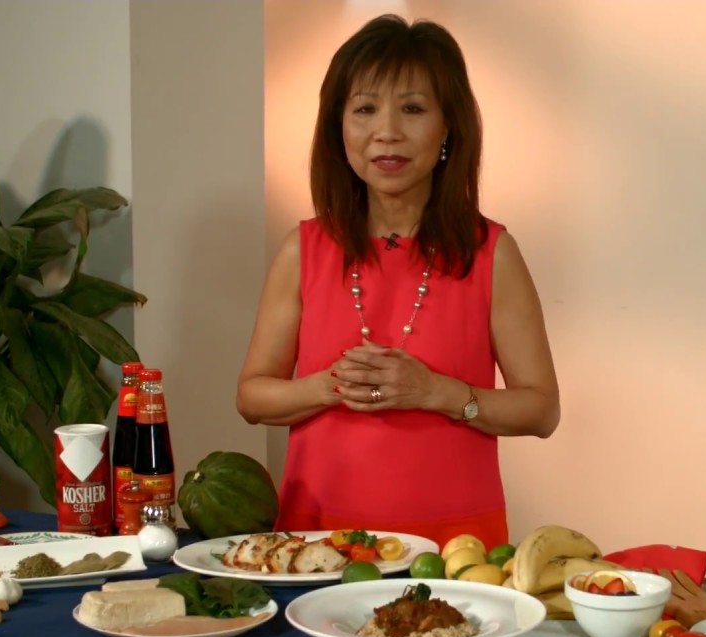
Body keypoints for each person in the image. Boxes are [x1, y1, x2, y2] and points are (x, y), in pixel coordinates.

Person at [236, 15, 560, 551]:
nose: (387, 131)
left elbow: (542, 409)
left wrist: (437, 392)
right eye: (365, 109)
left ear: (449, 126)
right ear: (339, 128)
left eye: (412, 109)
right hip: (318, 538)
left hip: (455, 545)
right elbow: (252, 396)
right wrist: (330, 386)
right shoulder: (303, 248)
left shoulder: (492, 252)